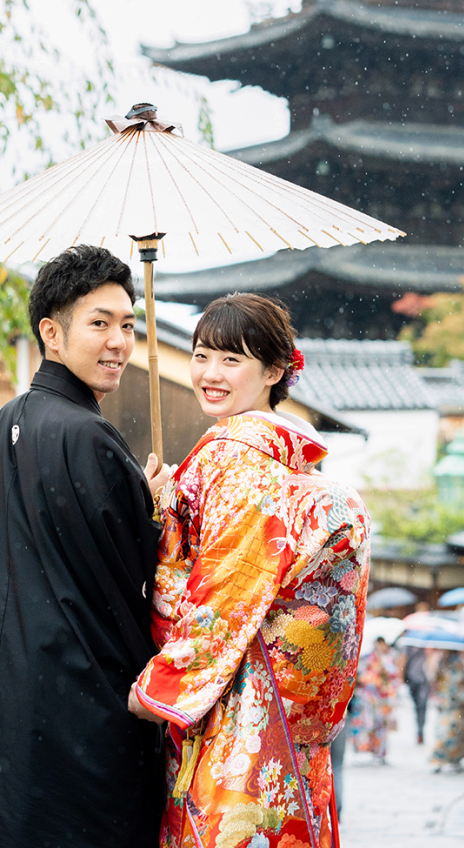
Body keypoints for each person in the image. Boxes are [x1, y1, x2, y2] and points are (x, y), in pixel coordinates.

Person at [0, 246, 169, 848]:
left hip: (7, 707)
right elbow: (144, 582)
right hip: (79, 721)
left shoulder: (3, 422)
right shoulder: (90, 436)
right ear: (51, 333)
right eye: (100, 323)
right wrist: (158, 517)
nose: (119, 341)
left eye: (128, 324)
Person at [128, 293, 370, 848]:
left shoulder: (237, 462)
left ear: (275, 370)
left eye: (231, 360)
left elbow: (223, 598)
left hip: (237, 707)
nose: (210, 374)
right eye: (201, 355)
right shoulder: (276, 458)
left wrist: (153, 691)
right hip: (280, 707)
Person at [351, 636, 400, 762]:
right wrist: (373, 676)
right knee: (371, 723)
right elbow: (361, 675)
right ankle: (372, 749)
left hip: (385, 696)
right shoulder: (368, 658)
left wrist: (385, 673)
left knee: (383, 725)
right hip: (370, 696)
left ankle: (382, 752)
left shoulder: (389, 658)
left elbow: (394, 675)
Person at [430, 650, 464, 772]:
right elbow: (462, 681)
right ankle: (449, 759)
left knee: (448, 732)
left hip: (449, 702)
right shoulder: (451, 663)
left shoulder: (444, 662)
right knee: (451, 732)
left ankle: (443, 759)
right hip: (452, 703)